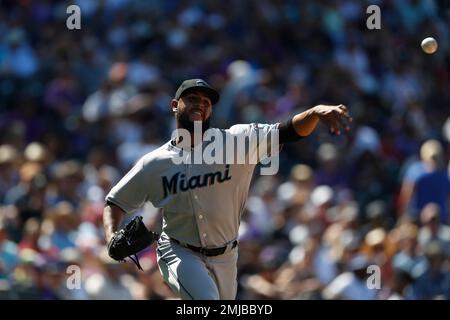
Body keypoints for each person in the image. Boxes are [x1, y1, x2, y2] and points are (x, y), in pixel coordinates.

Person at [102, 78, 352, 300]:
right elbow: (115, 202)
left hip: (227, 255)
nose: (200, 104)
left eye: (206, 101)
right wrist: (112, 234)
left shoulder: (237, 141)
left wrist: (315, 112)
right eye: (191, 99)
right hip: (179, 251)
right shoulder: (154, 163)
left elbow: (288, 131)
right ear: (174, 105)